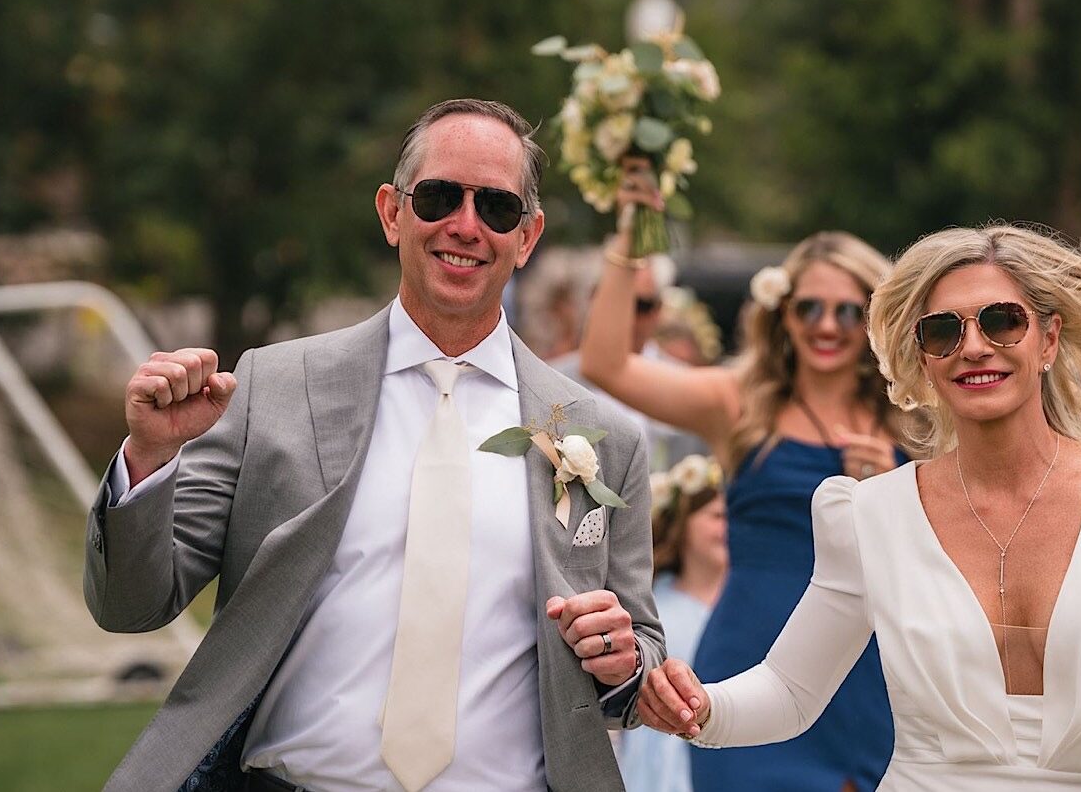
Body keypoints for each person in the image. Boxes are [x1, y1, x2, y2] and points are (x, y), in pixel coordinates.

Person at [84, 99, 664, 792]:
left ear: (528, 237)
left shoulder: (600, 438)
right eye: (440, 198)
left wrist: (623, 659)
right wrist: (148, 460)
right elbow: (129, 606)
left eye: (498, 209)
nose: (466, 226)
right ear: (393, 212)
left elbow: (641, 656)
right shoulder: (272, 387)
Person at [639, 224, 1081, 789]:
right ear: (923, 360)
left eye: (1002, 322)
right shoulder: (870, 514)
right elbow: (791, 689)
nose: (974, 346)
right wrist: (700, 709)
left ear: (1048, 338)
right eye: (944, 330)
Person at [580, 167, 915, 791]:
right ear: (782, 311)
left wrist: (892, 488)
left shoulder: (914, 419)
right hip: (750, 660)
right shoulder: (739, 403)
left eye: (849, 310)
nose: (827, 326)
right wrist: (630, 237)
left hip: (871, 676)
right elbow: (606, 364)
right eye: (810, 306)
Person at [618, 455, 729, 792]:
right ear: (684, 523)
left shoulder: (749, 606)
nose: (729, 528)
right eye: (717, 517)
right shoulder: (653, 610)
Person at [551, 250, 707, 470]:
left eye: (641, 305)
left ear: (658, 310)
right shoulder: (551, 380)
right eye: (616, 300)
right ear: (594, 299)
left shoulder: (689, 384)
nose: (626, 314)